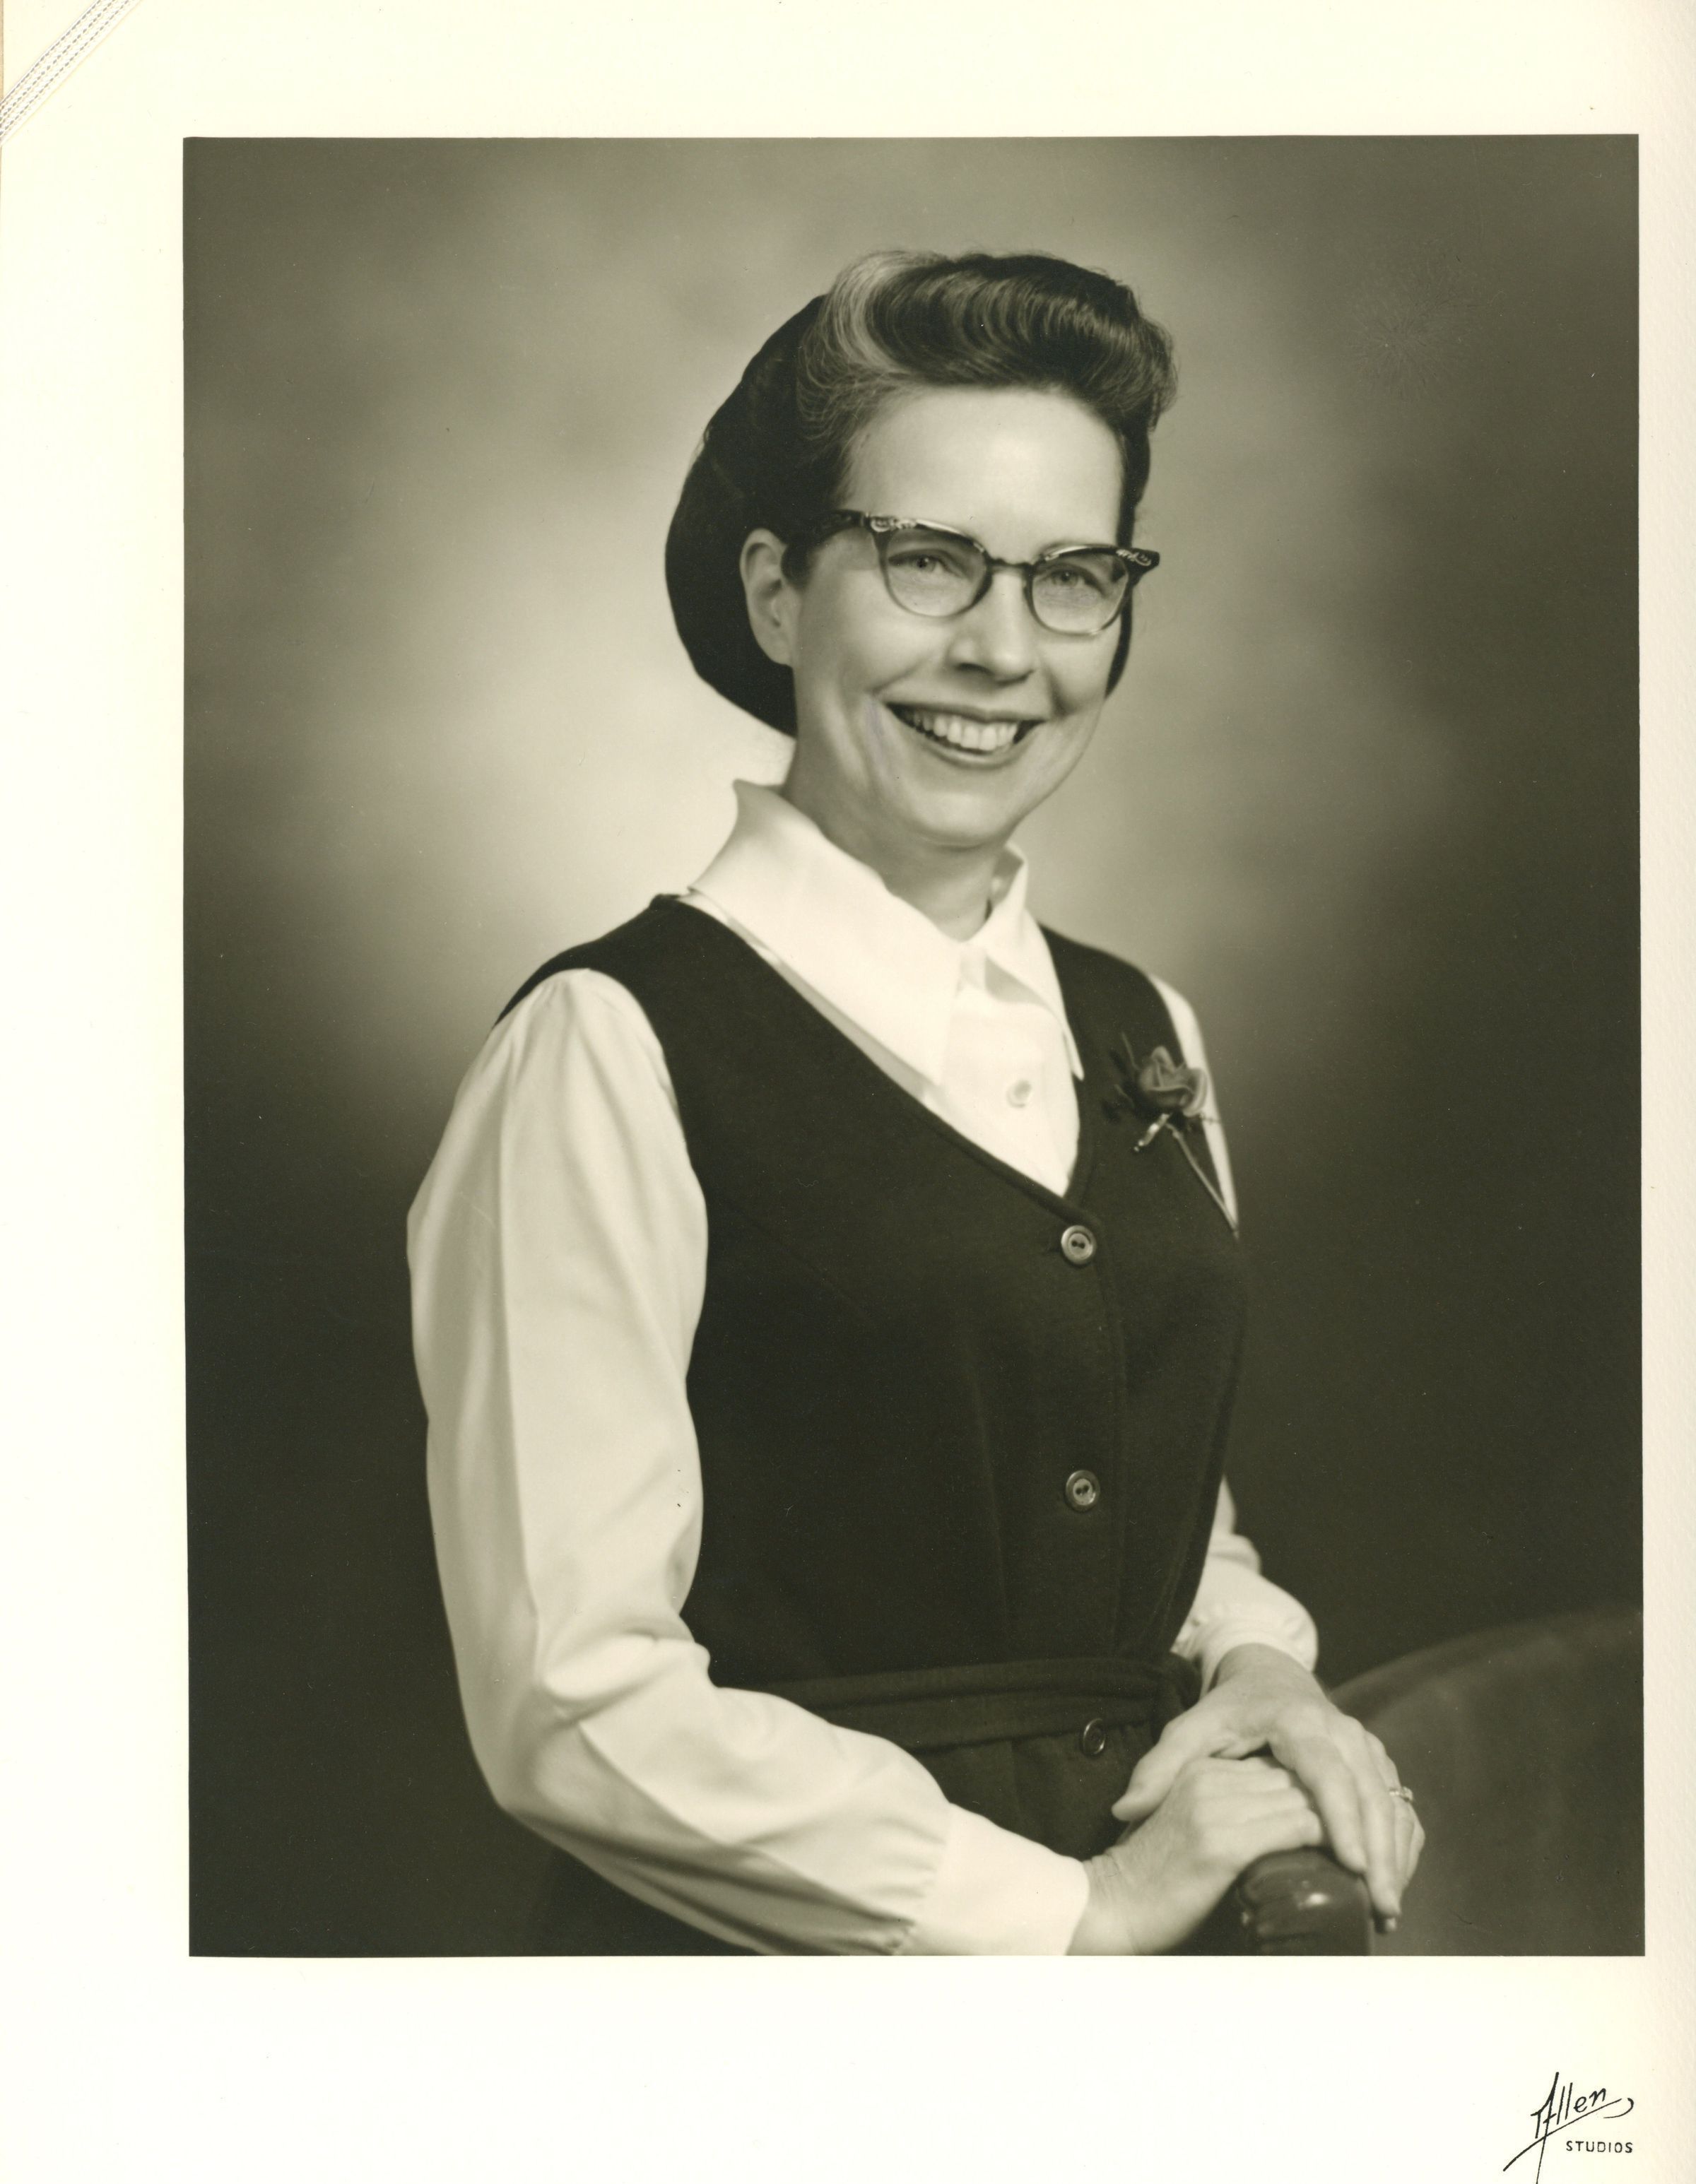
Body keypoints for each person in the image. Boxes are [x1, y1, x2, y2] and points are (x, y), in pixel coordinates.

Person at [407, 248, 1423, 1956]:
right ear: (778, 592)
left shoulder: (1142, 1024)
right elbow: (570, 1702)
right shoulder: (607, 1045)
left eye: (1072, 576)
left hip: (1159, 1980)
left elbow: (1137, 1502)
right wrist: (1071, 1913)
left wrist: (1256, 1663)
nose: (1004, 651)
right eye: (929, 560)